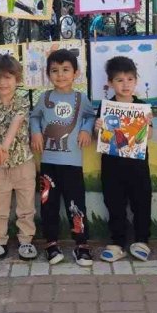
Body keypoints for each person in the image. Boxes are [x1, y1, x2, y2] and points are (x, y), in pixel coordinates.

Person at [30, 49, 96, 267]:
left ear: (75, 73)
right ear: (48, 74)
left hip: (73, 164)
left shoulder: (81, 98)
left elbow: (90, 116)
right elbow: (35, 117)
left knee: (76, 205)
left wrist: (86, 129)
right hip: (49, 163)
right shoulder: (45, 97)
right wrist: (37, 132)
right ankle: (51, 243)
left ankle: (82, 244)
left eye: (66, 70)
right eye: (55, 71)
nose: (60, 75)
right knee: (48, 205)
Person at [94, 56, 153, 263]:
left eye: (129, 79)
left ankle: (142, 240)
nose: (125, 84)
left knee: (141, 202)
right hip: (112, 166)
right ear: (110, 83)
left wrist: (147, 126)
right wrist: (98, 127)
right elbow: (99, 136)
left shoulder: (143, 107)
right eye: (119, 80)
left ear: (136, 81)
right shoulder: (105, 107)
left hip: (138, 166)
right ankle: (118, 242)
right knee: (114, 203)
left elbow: (148, 137)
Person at [0, 54, 38, 262]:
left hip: (23, 164)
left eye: (7, 77)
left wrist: (3, 146)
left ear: (17, 79)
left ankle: (26, 241)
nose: (2, 82)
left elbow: (15, 126)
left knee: (26, 206)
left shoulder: (22, 103)